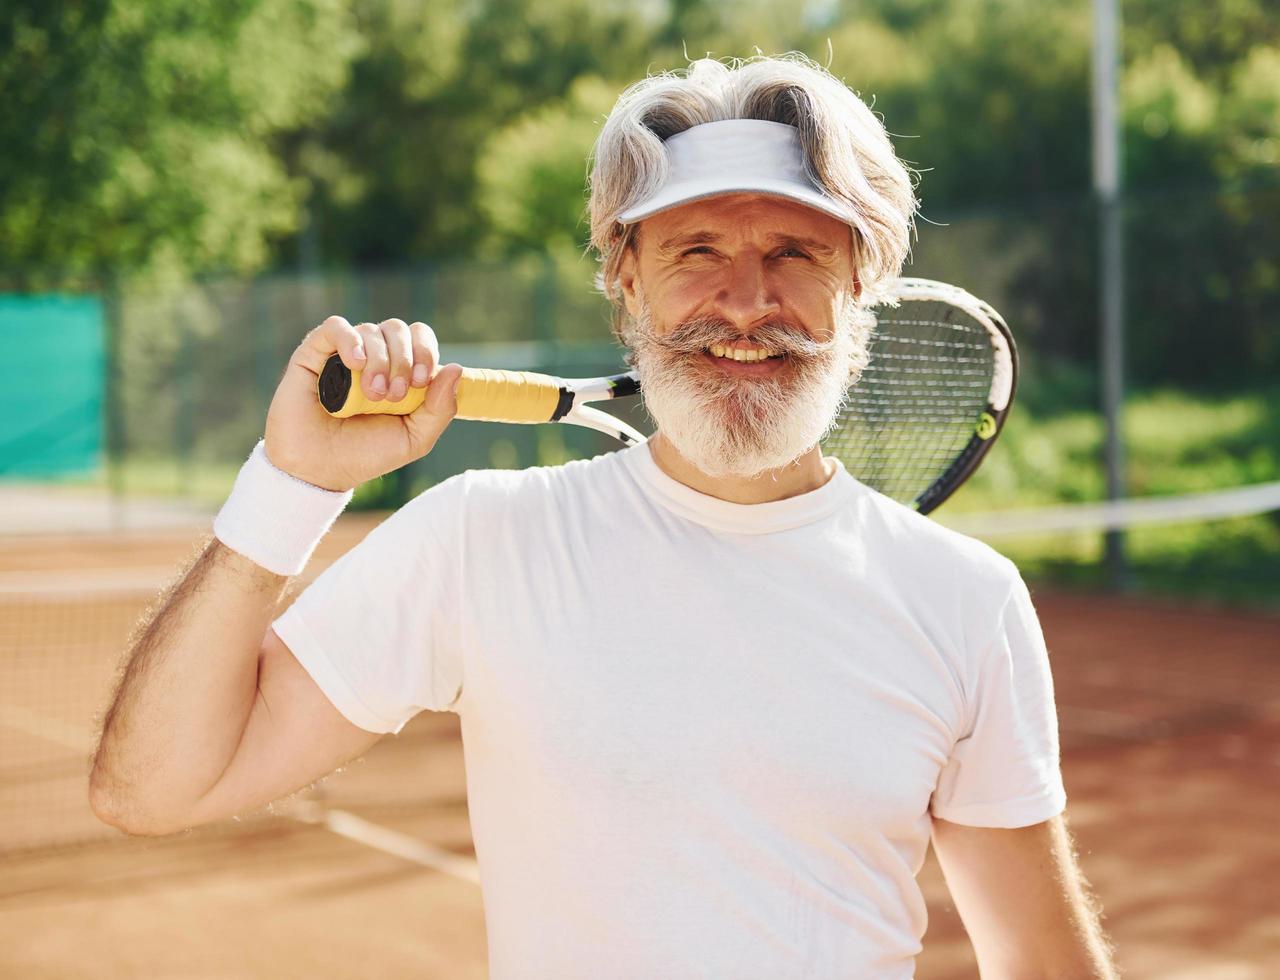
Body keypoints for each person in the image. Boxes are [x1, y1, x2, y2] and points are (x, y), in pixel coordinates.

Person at [90, 54, 1118, 979]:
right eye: (697, 249)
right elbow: (154, 786)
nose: (746, 299)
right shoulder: (481, 540)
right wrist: (289, 484)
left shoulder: (964, 598)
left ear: (862, 281)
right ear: (628, 277)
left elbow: (1039, 958)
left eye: (797, 252)